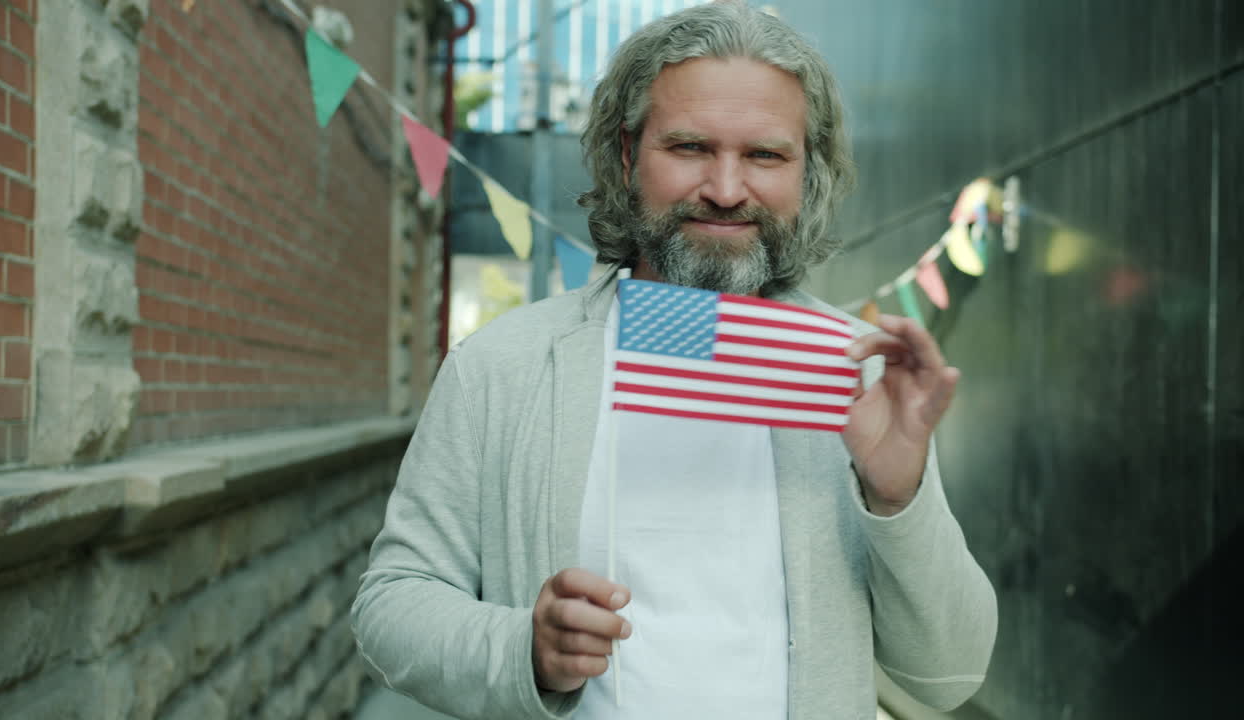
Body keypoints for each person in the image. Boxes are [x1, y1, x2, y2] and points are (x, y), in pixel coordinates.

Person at [351, 3, 997, 718]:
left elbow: (951, 676)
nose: (725, 189)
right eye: (689, 148)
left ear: (806, 170)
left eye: (764, 155)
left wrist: (897, 496)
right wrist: (522, 649)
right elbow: (390, 607)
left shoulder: (855, 377)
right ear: (627, 157)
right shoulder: (501, 368)